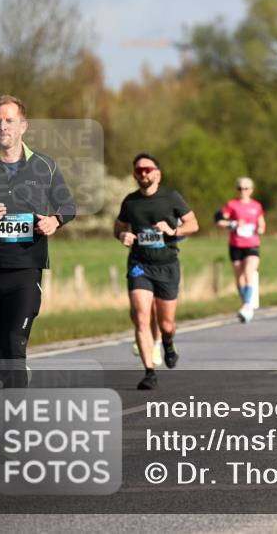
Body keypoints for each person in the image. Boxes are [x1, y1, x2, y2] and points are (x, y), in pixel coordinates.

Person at [0, 95, 76, 386]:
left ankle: (15, 423)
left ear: (23, 126)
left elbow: (68, 205)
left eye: (9, 120)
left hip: (26, 269)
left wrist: (54, 221)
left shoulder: (44, 166)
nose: (3, 126)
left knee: (14, 348)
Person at [115, 153, 199, 390]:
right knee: (141, 316)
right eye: (139, 170)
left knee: (166, 324)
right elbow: (119, 226)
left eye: (148, 169)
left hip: (167, 265)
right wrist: (123, 235)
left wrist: (173, 229)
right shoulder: (130, 202)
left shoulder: (171, 197)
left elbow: (194, 224)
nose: (143, 173)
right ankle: (149, 371)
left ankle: (168, 343)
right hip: (139, 265)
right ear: (134, 174)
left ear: (157, 174)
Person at [217, 177, 265, 323]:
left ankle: (246, 305)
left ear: (251, 190)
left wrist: (260, 229)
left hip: (252, 244)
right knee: (239, 278)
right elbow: (220, 221)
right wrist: (233, 224)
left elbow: (262, 224)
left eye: (246, 188)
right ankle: (247, 304)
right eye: (240, 188)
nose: (243, 191)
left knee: (248, 272)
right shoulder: (232, 205)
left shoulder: (256, 206)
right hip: (236, 245)